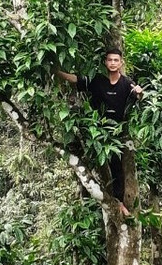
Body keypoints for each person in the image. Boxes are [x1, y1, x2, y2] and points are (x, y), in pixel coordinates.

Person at [54, 48, 143, 216]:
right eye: (110, 60)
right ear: (105, 62)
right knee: (91, 166)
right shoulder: (98, 81)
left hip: (116, 133)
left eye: (116, 60)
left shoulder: (126, 82)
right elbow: (77, 80)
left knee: (117, 168)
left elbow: (137, 95)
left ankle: (120, 203)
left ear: (121, 63)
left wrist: (140, 93)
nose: (113, 63)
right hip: (97, 132)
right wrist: (58, 72)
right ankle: (88, 205)